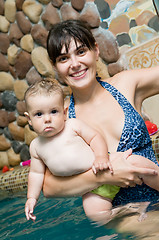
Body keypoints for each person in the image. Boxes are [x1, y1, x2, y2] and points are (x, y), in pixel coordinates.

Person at [43, 19, 159, 220]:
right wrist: (105, 176)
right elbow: (48, 187)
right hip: (122, 218)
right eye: (63, 58)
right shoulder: (61, 118)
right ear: (55, 66)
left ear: (95, 51)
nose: (75, 64)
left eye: (81, 52)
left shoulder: (125, 84)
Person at [24, 79, 159, 222]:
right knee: (95, 214)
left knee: (140, 164)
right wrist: (32, 198)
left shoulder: (72, 126)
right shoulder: (36, 146)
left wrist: (101, 157)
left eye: (53, 112)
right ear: (29, 119)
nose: (47, 119)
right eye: (39, 114)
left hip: (106, 165)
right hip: (90, 188)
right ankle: (128, 210)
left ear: (64, 113)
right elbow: (36, 173)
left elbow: (95, 137)